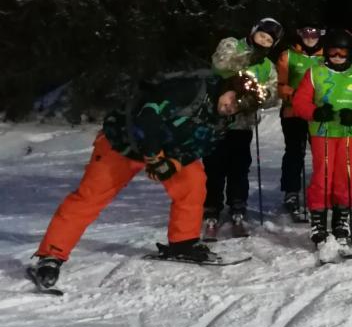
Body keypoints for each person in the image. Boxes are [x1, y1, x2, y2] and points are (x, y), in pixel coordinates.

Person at [28, 72, 267, 290]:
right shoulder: (190, 89)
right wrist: (154, 157)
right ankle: (51, 256)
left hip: (165, 153)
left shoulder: (221, 120)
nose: (231, 107)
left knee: (193, 181)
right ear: (228, 87)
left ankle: (183, 242)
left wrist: (173, 163)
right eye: (233, 99)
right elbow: (148, 117)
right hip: (122, 144)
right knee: (89, 198)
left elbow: (202, 146)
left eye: (238, 107)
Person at [291, 29, 352, 256]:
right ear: (326, 52)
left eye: (343, 52)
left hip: (351, 134)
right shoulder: (315, 73)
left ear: (350, 53)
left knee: (346, 176)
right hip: (324, 133)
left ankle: (342, 220)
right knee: (323, 175)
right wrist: (316, 112)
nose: (338, 56)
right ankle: (319, 221)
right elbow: (300, 101)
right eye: (333, 52)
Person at [204, 18, 282, 239]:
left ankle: (238, 205)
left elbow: (272, 95)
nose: (263, 41)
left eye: (268, 40)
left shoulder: (267, 66)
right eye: (261, 36)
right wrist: (248, 58)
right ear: (253, 32)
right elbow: (221, 65)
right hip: (216, 118)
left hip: (242, 122)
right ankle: (212, 206)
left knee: (238, 166)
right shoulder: (232, 44)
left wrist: (252, 99)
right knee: (214, 165)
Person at [276, 23, 324, 223]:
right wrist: (294, 95)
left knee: (320, 152)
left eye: (314, 34)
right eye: (306, 34)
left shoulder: (325, 57)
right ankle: (291, 191)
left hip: (316, 114)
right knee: (295, 151)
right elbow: (279, 84)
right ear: (300, 35)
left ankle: (321, 190)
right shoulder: (288, 55)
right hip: (293, 112)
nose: (310, 38)